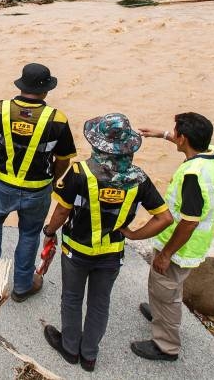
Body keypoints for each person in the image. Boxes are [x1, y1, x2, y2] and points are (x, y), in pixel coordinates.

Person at [42, 114, 172, 372]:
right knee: (100, 302)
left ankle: (69, 348)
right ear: (129, 147)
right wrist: (134, 235)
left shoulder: (79, 173)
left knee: (72, 297)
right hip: (112, 252)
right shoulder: (139, 179)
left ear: (96, 144)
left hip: (76, 250)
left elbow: (61, 212)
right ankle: (89, 356)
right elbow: (165, 218)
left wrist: (49, 231)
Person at [0, 63, 78, 301]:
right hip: (37, 189)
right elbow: (64, 159)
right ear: (46, 91)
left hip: (1, 183)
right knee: (29, 233)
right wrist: (52, 181)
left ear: (22, 85)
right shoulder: (57, 119)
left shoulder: (0, 109)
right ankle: (22, 286)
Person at [131, 113, 214, 362]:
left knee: (165, 289)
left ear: (183, 139)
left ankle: (166, 346)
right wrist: (161, 134)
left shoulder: (193, 176)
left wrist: (166, 254)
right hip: (195, 245)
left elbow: (189, 222)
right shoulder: (212, 155)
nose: (173, 135)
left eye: (175, 133)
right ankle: (159, 312)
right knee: (169, 286)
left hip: (181, 247)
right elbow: (184, 142)